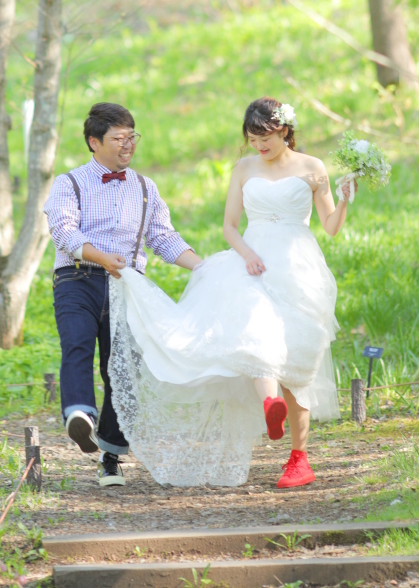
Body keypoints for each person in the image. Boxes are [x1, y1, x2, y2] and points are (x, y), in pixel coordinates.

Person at [108, 97, 354, 489]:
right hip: (252, 261)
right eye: (253, 138)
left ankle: (299, 458)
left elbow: (331, 226)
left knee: (300, 360)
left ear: (285, 131)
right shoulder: (244, 168)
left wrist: (342, 199)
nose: (259, 145)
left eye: (266, 137)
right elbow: (230, 227)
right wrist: (248, 255)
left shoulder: (312, 168)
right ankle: (269, 403)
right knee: (256, 327)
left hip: (299, 266)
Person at [43, 101, 203, 488]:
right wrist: (102, 258)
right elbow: (64, 231)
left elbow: (163, 238)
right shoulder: (70, 183)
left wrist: (203, 265)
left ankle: (111, 455)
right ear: (94, 142)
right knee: (77, 345)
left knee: (122, 369)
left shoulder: (146, 187)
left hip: (126, 285)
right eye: (119, 138)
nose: (128, 144)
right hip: (77, 279)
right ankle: (80, 415)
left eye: (132, 136)